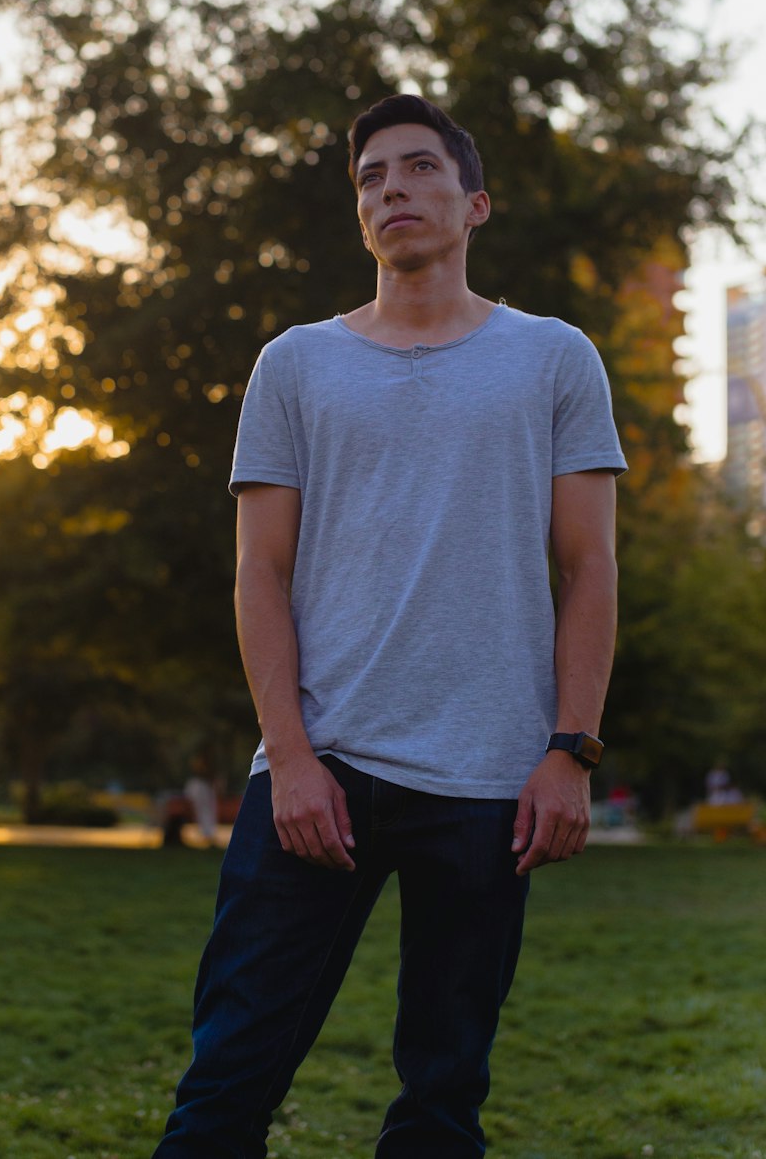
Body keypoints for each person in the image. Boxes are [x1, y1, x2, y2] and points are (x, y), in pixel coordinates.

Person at [152, 94, 626, 1157]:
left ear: (475, 204)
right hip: (320, 772)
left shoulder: (554, 358)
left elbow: (589, 565)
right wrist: (291, 757)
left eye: (418, 169)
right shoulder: (295, 365)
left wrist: (569, 752)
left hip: (488, 784)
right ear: (358, 215)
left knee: (441, 1103)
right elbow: (258, 575)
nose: (393, 189)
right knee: (225, 1083)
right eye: (371, 177)